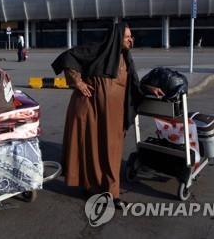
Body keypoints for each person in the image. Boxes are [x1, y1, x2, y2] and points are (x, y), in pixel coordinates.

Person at [51, 22, 164, 209]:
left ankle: (112, 193)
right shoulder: (96, 50)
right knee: (91, 149)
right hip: (91, 109)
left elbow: (132, 85)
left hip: (113, 114)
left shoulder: (126, 58)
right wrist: (77, 82)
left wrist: (149, 88)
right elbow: (68, 57)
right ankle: (90, 187)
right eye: (127, 36)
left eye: (131, 36)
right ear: (116, 37)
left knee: (111, 152)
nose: (131, 40)